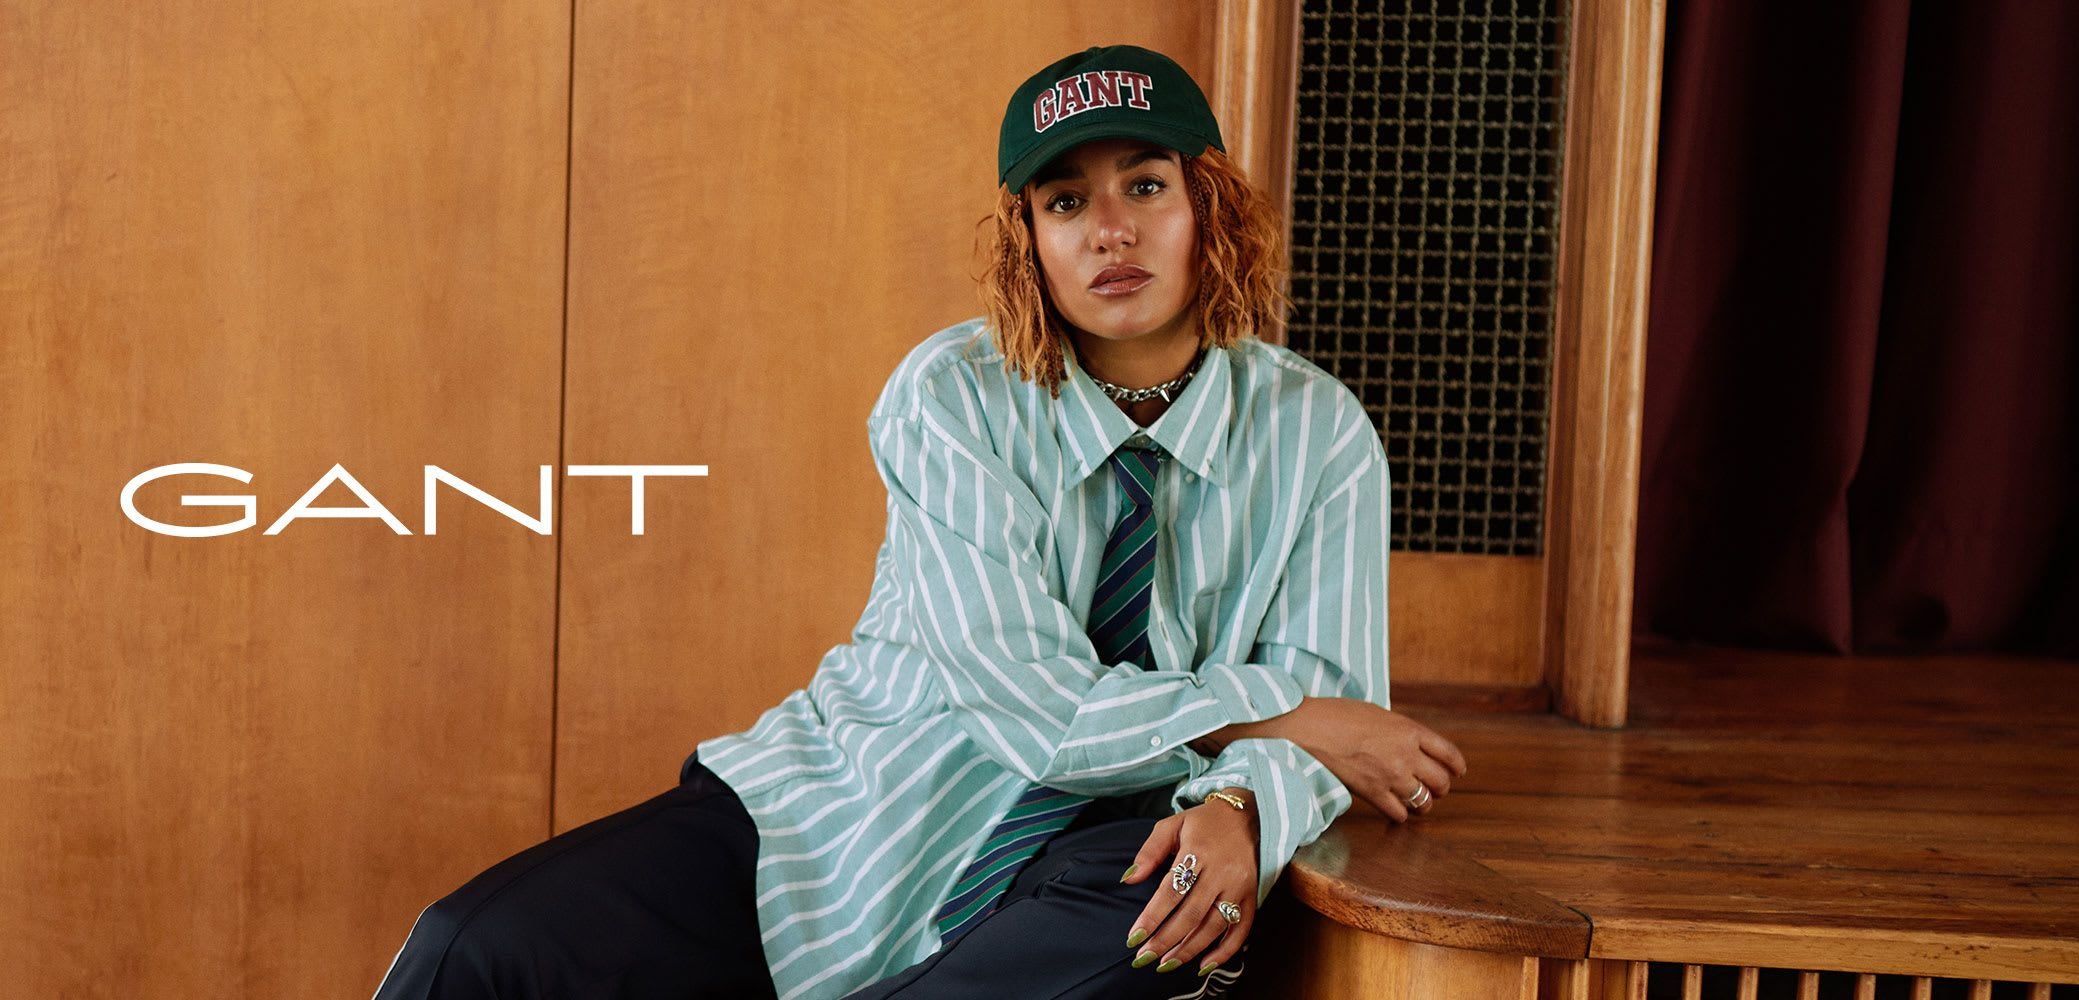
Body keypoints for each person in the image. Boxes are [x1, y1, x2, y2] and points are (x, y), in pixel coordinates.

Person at [370, 43, 1467, 1000]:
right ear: (1027, 238)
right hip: (850, 803)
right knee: (477, 946)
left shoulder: (1317, 431)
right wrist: (1291, 714)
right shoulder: (951, 396)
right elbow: (1044, 711)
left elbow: (1342, 720)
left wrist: (1240, 793)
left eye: (1146, 184)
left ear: (1208, 208)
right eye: (1067, 202)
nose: (1110, 232)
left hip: (1117, 836)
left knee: (1153, 926)